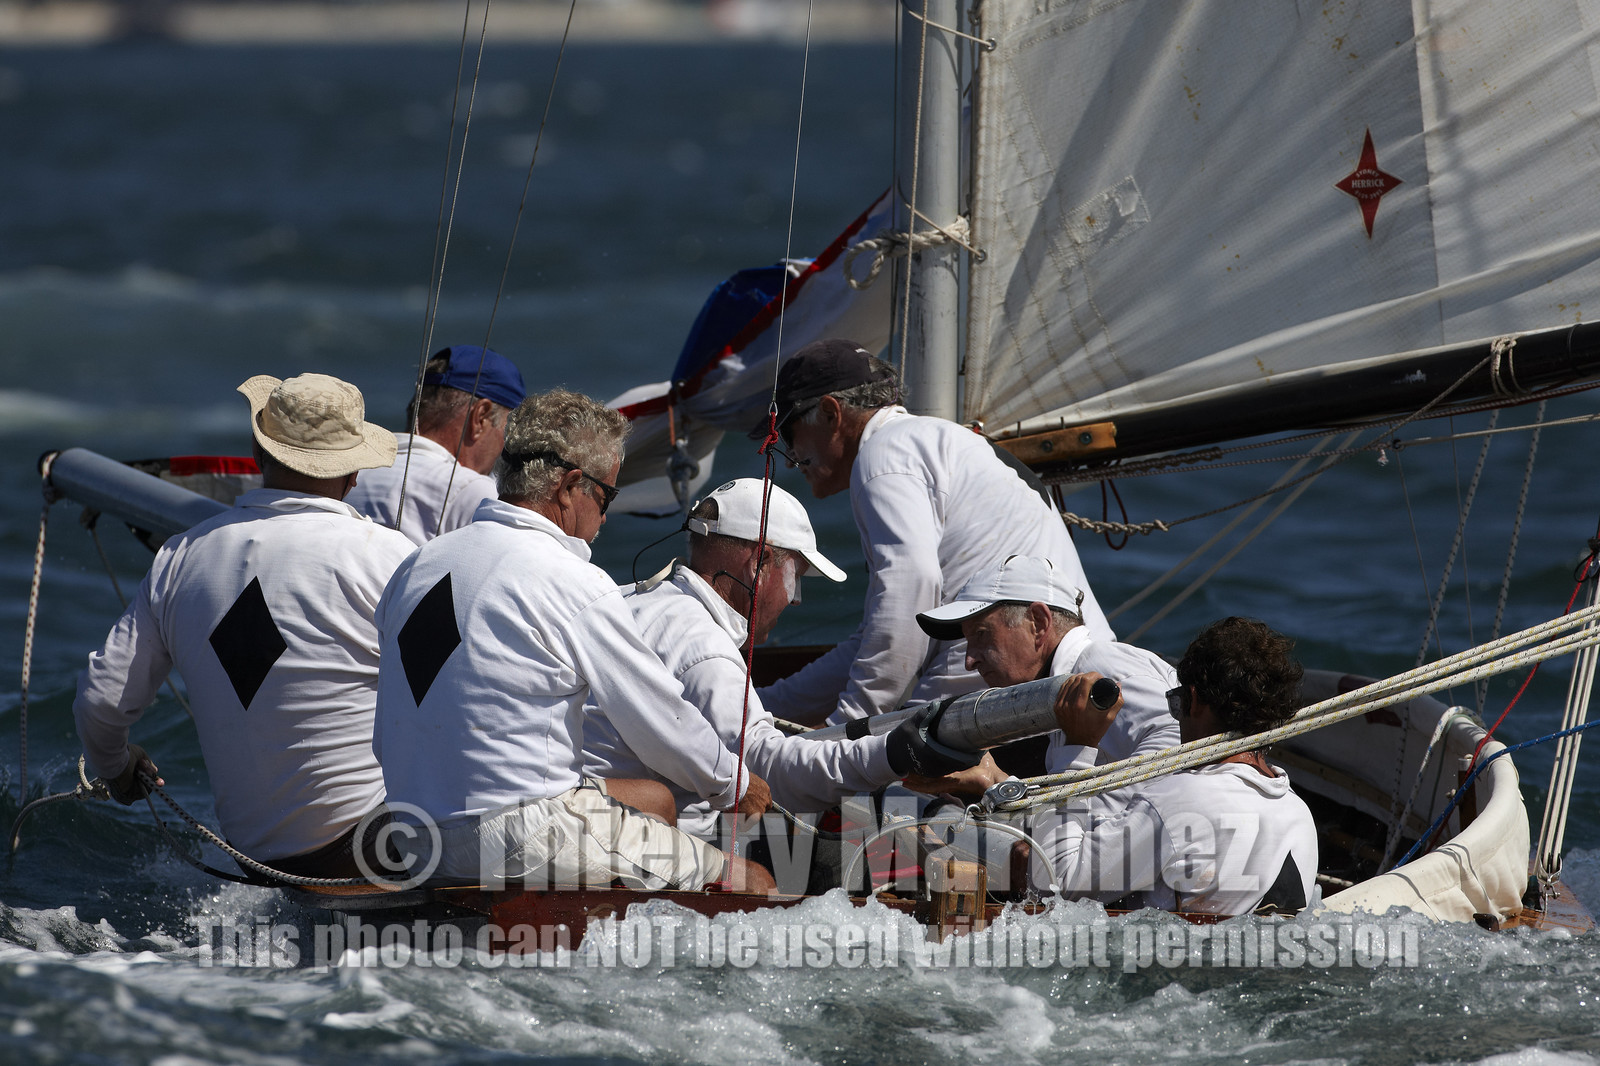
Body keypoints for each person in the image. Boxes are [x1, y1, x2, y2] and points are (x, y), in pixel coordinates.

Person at [372, 389, 777, 893]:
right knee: (752, 880)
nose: (606, 518)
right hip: (524, 840)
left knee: (653, 799)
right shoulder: (570, 579)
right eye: (607, 496)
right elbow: (658, 719)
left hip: (413, 841)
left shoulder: (416, 566)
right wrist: (735, 784)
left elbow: (381, 739)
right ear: (568, 487)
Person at [73, 373, 415, 878]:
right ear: (354, 474)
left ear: (256, 452)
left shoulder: (180, 556)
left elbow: (100, 702)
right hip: (372, 853)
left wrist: (119, 768)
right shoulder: (388, 558)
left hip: (250, 859)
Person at [583, 478, 969, 839]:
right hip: (638, 839)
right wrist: (893, 753)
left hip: (596, 811)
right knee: (768, 878)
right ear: (760, 562)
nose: (797, 598)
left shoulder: (633, 601)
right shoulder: (704, 648)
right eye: (796, 575)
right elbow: (765, 769)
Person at [756, 339, 1114, 727]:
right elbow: (881, 631)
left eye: (789, 435)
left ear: (830, 413)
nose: (790, 459)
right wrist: (766, 705)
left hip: (1005, 670)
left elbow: (906, 597)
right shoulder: (930, 441)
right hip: (1079, 668)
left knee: (878, 774)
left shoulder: (883, 459)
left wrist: (847, 730)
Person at [1032, 617, 1318, 915]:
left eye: (1176, 704)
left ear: (1192, 700)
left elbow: (1053, 884)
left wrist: (1077, 748)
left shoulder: (1180, 798)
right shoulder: (1299, 814)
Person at [914, 554, 1179, 786]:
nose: (969, 661)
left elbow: (1182, 746)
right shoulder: (1071, 681)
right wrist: (996, 784)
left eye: (982, 635)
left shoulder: (1102, 671)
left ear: (1038, 623)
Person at [345, 344, 527, 544]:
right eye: (506, 431)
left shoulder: (352, 473)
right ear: (481, 417)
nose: (505, 447)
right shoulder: (473, 491)